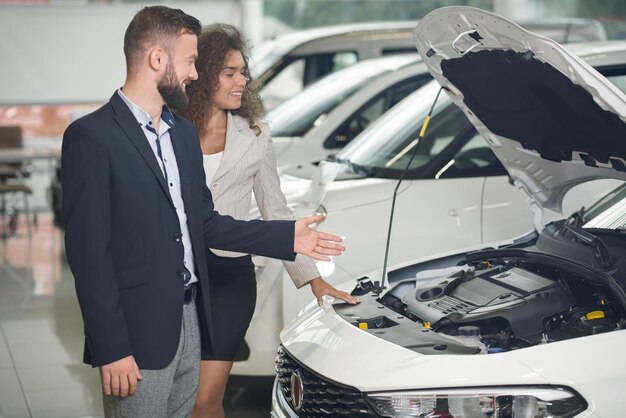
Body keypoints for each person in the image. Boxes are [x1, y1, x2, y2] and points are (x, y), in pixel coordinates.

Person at [61, 6, 346, 418]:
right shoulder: (92, 137)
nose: (195, 74)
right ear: (157, 59)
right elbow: (90, 257)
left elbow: (206, 224)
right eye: (191, 62)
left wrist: (287, 237)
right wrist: (112, 347)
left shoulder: (179, 136)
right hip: (139, 329)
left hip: (195, 316)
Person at [181, 24, 358, 418]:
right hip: (179, 277)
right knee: (177, 394)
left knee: (205, 401)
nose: (242, 80)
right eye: (230, 72)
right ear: (204, 73)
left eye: (242, 72)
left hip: (229, 278)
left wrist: (313, 277)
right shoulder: (172, 130)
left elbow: (276, 210)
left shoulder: (256, 135)